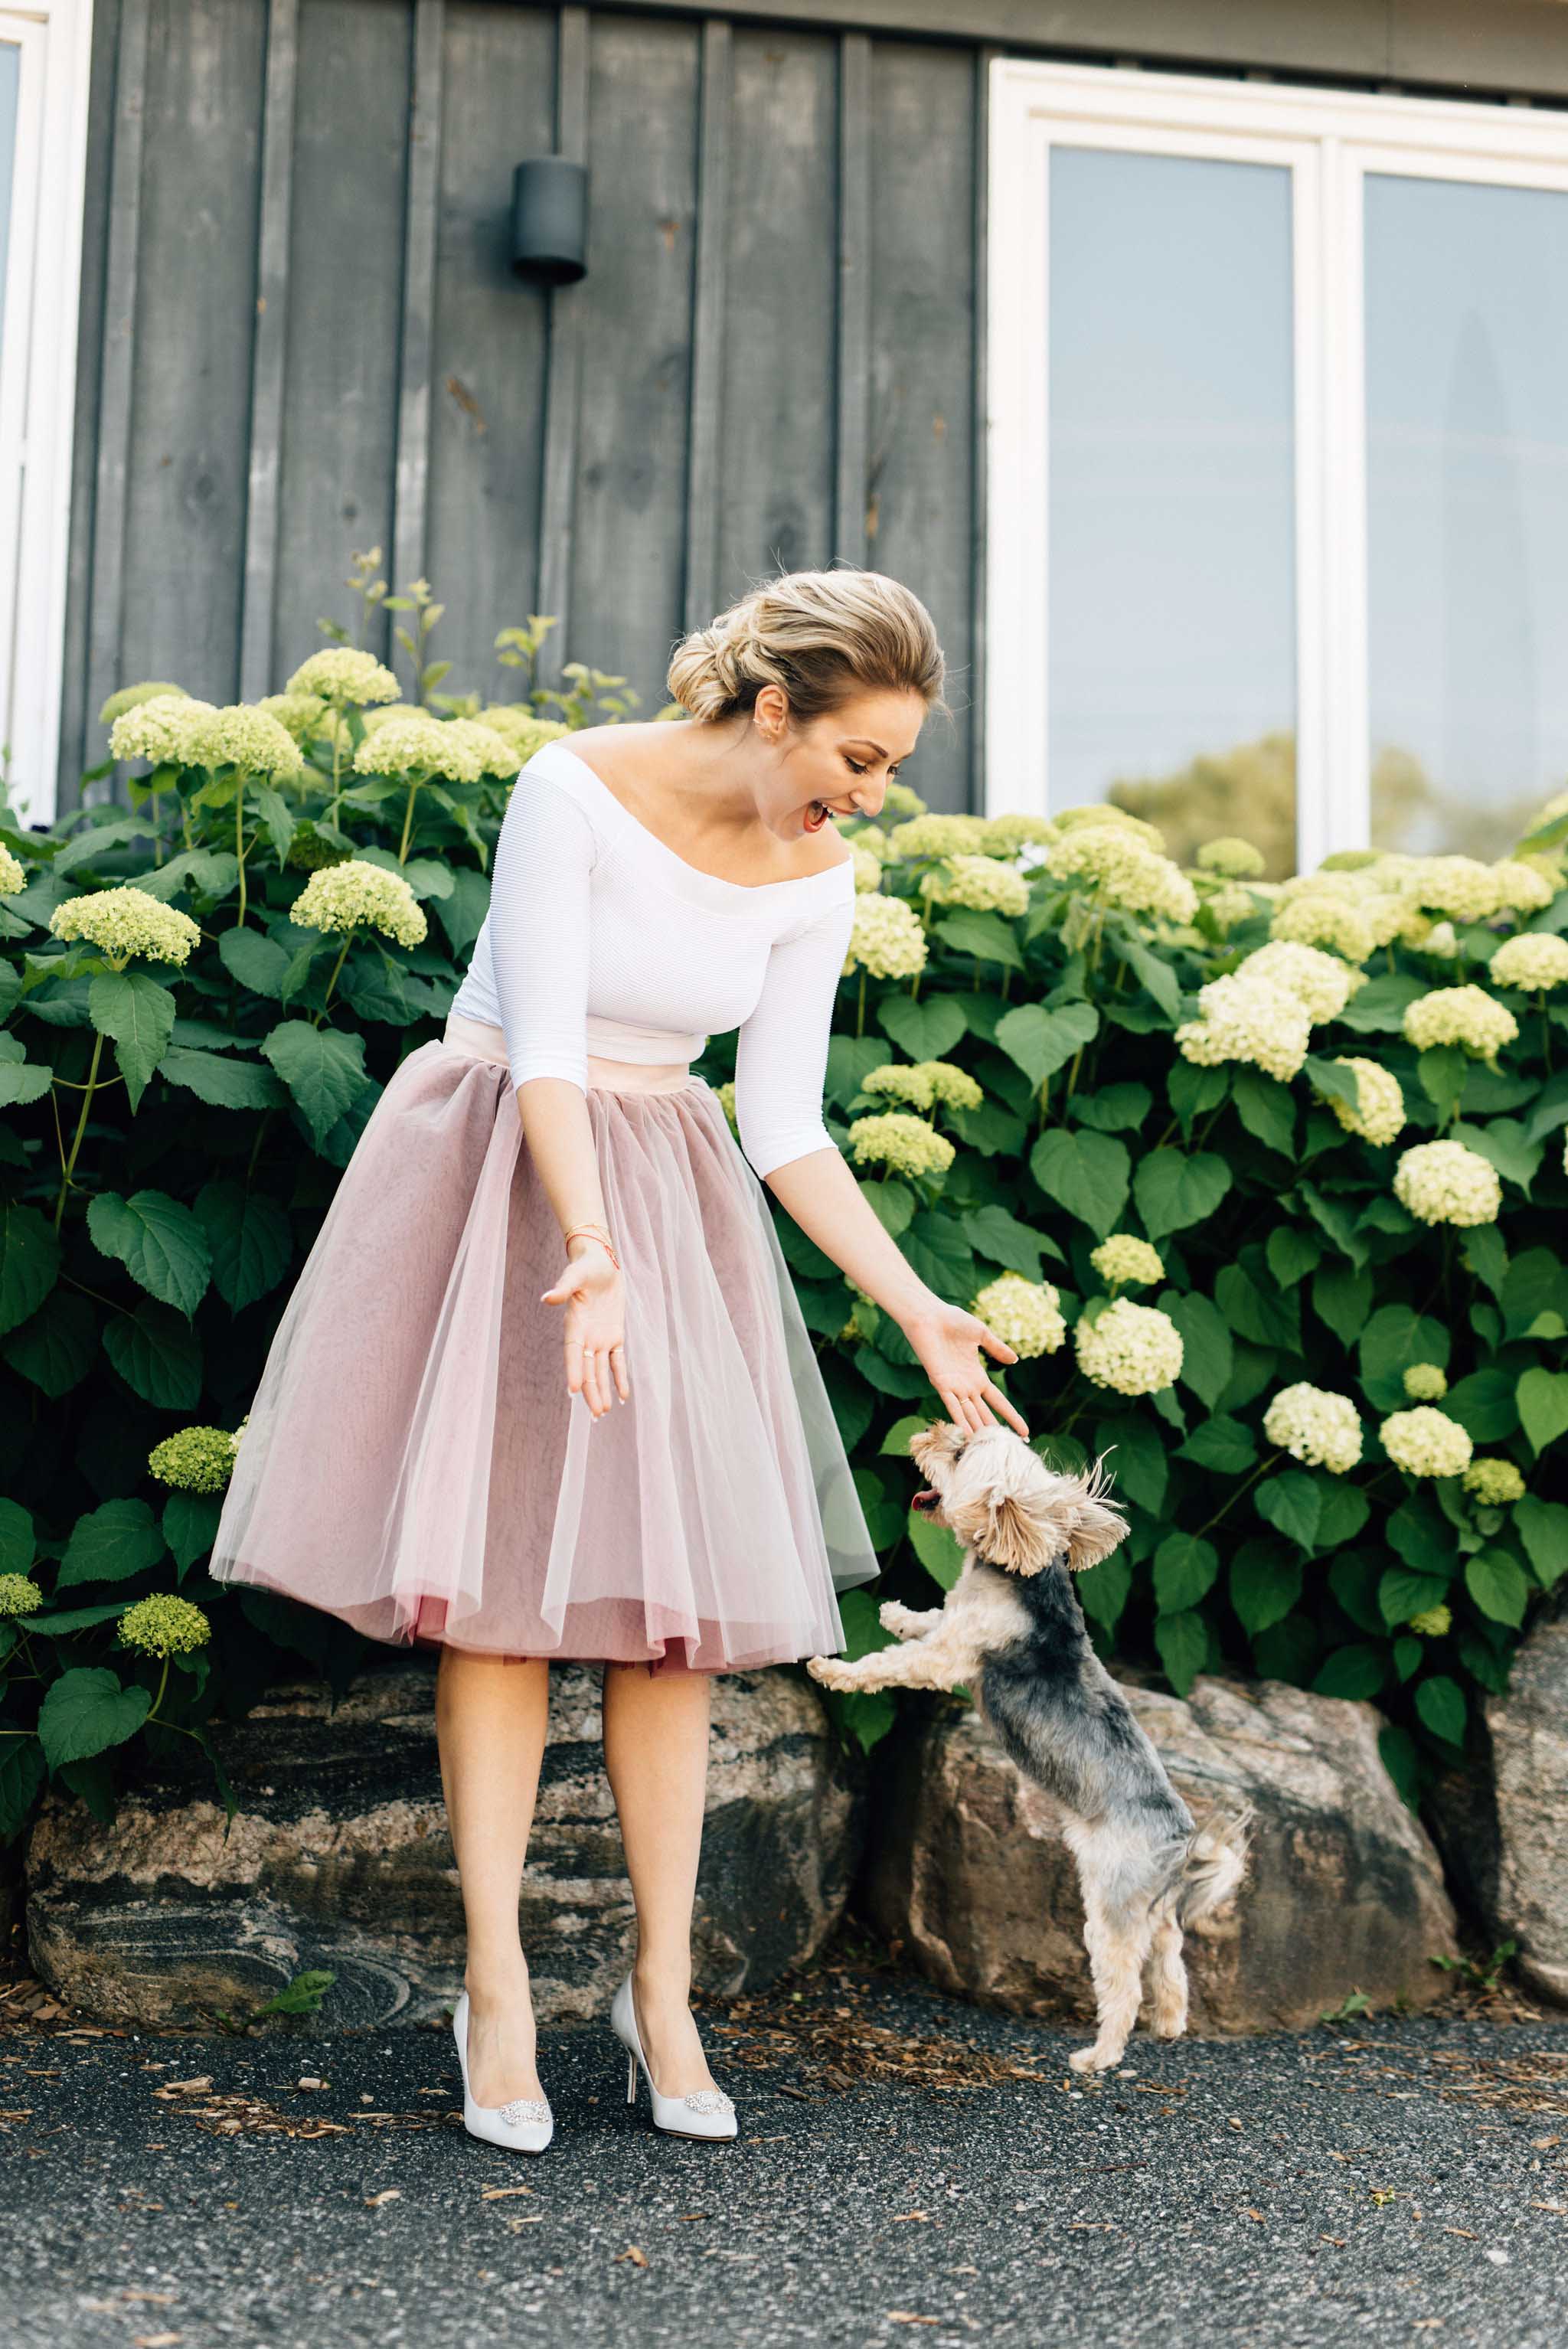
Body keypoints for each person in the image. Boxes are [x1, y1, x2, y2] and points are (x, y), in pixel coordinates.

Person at [208, 567, 1029, 2151]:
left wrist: (912, 1300)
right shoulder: (570, 786)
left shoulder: (818, 875)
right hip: (507, 1165)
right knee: (503, 1608)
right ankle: (497, 1992)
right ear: (775, 705)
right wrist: (583, 1251)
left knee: (672, 1630)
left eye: (890, 772)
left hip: (674, 1187)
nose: (866, 796)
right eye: (856, 758)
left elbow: (784, 1125)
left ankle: (661, 1994)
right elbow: (552, 1038)